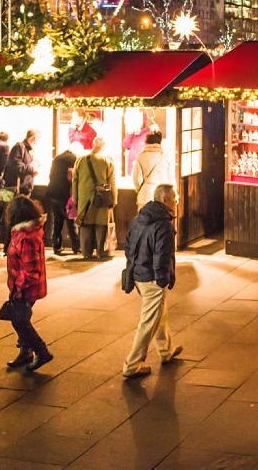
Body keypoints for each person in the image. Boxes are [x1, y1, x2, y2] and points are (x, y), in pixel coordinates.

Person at [121, 183, 184, 379]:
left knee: (159, 313)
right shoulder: (163, 225)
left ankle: (166, 350)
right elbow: (162, 256)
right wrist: (162, 280)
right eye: (174, 198)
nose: (177, 200)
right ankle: (132, 364)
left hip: (139, 274)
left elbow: (128, 246)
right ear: (165, 200)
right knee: (148, 321)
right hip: (151, 278)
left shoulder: (140, 218)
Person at [4, 195, 53, 371]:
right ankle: (25, 352)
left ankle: (41, 351)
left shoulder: (26, 237)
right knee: (21, 317)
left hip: (25, 287)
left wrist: (18, 287)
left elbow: (30, 269)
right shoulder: (23, 233)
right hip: (22, 285)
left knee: (19, 320)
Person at [75, 136, 117, 259]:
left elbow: (75, 181)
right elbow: (112, 182)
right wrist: (113, 199)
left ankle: (86, 253)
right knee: (100, 225)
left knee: (85, 225)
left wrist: (76, 198)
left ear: (93, 145)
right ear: (103, 147)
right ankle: (100, 252)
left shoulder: (81, 160)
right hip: (102, 198)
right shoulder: (107, 161)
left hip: (84, 199)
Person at [46, 144, 80, 256]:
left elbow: (51, 175)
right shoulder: (73, 159)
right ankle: (76, 246)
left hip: (52, 192)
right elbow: (73, 177)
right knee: (70, 219)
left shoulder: (57, 158)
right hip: (64, 193)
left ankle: (56, 246)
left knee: (57, 221)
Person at [132, 131, 174, 208]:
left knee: (145, 220)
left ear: (147, 142)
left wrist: (140, 190)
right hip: (162, 197)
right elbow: (171, 179)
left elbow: (137, 179)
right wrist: (174, 196)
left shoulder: (141, 157)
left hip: (145, 196)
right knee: (160, 219)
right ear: (160, 142)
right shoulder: (166, 157)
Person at [5, 130, 39, 197]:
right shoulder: (20, 147)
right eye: (38, 138)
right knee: (11, 206)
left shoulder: (28, 150)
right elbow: (16, 164)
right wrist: (31, 169)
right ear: (33, 137)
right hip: (16, 188)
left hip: (23, 189)